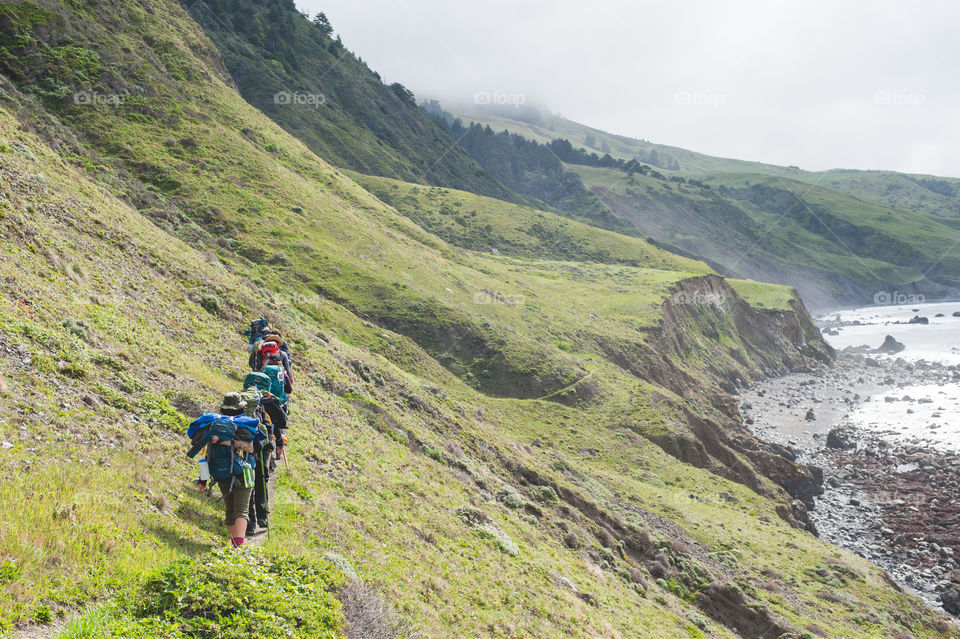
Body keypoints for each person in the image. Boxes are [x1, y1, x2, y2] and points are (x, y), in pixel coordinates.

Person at [187, 393, 265, 547]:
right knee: (241, 510)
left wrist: (203, 479)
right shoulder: (245, 424)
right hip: (244, 471)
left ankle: (234, 546)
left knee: (230, 510)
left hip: (220, 471)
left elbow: (206, 453)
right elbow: (258, 448)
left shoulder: (212, 425)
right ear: (240, 408)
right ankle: (239, 547)